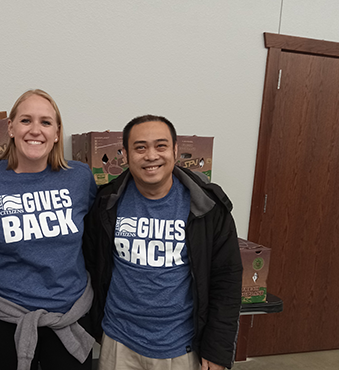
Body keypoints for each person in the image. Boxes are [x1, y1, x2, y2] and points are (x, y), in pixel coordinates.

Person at [83, 115, 242, 370]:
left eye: (161, 146)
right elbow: (91, 265)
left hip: (181, 348)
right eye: (140, 147)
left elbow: (227, 281)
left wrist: (217, 349)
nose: (151, 156)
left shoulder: (207, 207)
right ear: (125, 154)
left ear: (175, 150)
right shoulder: (106, 203)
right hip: (118, 343)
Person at [0, 89, 97, 370]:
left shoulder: (80, 178)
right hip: (4, 318)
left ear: (58, 132)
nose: (35, 130)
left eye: (46, 122)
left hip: (69, 314)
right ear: (10, 127)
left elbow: (99, 234)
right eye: (26, 121)